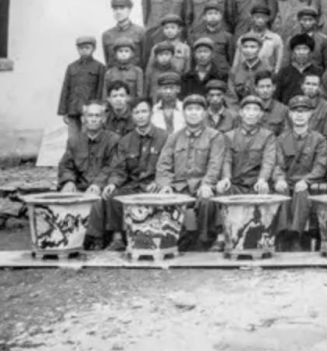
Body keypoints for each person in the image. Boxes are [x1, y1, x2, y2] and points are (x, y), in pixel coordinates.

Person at [154, 93, 226, 251]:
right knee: (165, 201)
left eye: (198, 109)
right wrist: (165, 185)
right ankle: (176, 239)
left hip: (202, 184)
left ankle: (204, 240)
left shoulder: (215, 136)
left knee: (207, 201)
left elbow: (215, 164)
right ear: (184, 113)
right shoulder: (174, 137)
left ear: (205, 113)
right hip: (179, 186)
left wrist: (207, 184)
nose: (193, 113)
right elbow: (163, 165)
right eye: (189, 109)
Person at [103, 100, 169, 252]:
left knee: (163, 198)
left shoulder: (164, 137)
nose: (140, 116)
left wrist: (160, 182)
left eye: (144, 111)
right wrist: (113, 183)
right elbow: (119, 168)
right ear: (132, 116)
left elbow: (168, 164)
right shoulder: (125, 141)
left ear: (151, 113)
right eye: (136, 112)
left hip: (154, 185)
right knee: (113, 196)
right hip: (134, 185)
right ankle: (117, 238)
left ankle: (160, 240)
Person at [56, 102, 118, 251]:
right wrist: (69, 181)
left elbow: (112, 166)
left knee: (95, 200)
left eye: (97, 115)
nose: (94, 119)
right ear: (83, 119)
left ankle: (94, 239)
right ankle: (67, 238)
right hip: (81, 185)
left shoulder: (113, 140)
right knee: (64, 197)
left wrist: (97, 184)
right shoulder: (74, 141)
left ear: (103, 119)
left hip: (102, 186)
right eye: (90, 115)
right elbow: (66, 165)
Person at [216, 96, 277, 244]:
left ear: (261, 114)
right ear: (241, 113)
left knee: (266, 193)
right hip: (236, 184)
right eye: (247, 109)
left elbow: (268, 160)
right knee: (222, 190)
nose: (251, 113)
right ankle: (222, 235)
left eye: (255, 110)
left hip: (255, 184)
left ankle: (263, 237)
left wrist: (262, 179)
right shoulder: (229, 136)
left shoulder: (268, 136)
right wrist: (226, 178)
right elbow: (226, 159)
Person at [273, 95, 327, 252]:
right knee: (281, 191)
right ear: (290, 114)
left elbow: (320, 166)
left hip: (309, 184)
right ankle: (282, 235)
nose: (299, 115)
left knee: (301, 192)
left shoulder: (319, 140)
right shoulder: (281, 139)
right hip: (287, 181)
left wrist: (306, 180)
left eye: (304, 111)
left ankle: (295, 235)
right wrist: (279, 179)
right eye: (295, 111)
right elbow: (278, 164)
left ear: (310, 114)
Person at [58, 36, 105, 138]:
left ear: (93, 49)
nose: (84, 50)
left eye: (87, 48)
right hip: (73, 109)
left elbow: (101, 90)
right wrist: (64, 111)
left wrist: (99, 108)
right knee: (73, 139)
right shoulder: (72, 67)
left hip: (90, 110)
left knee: (88, 137)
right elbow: (66, 88)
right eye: (81, 48)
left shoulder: (99, 67)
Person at [102, 0, 147, 69]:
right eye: (115, 9)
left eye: (122, 8)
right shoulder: (107, 35)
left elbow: (145, 59)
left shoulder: (141, 32)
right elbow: (108, 61)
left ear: (129, 10)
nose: (118, 12)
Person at [276, 34, 322, 105]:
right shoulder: (283, 72)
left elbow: (322, 96)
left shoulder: (318, 72)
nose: (301, 52)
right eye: (298, 49)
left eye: (305, 49)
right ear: (293, 52)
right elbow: (276, 97)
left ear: (311, 51)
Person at [102, 38, 146, 111]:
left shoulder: (137, 71)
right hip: (114, 108)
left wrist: (138, 107)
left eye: (126, 51)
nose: (123, 54)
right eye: (120, 51)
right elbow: (105, 95)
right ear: (115, 54)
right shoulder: (109, 72)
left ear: (132, 54)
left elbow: (140, 93)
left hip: (131, 108)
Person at [182, 37, 230, 101]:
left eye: (206, 51)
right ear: (194, 55)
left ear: (212, 54)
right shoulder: (186, 77)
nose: (202, 55)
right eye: (199, 52)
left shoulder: (221, 76)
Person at [228, 33, 272, 103]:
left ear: (259, 48)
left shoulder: (267, 69)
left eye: (252, 47)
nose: (248, 50)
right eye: (245, 47)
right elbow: (231, 96)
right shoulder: (235, 70)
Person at [188, 1, 234, 68]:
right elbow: (193, 60)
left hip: (222, 71)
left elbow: (231, 60)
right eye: (210, 14)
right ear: (204, 17)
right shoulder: (196, 37)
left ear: (220, 16)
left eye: (216, 13)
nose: (213, 16)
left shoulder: (228, 37)